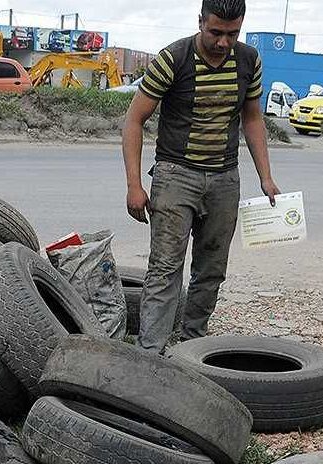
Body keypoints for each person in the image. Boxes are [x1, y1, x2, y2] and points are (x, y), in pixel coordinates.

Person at [121, 0, 281, 353]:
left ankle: (193, 346)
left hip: (225, 179)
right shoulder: (173, 58)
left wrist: (265, 177)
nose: (224, 42)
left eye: (233, 33)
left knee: (211, 269)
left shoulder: (248, 60)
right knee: (165, 269)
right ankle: (152, 354)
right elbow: (133, 121)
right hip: (175, 175)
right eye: (216, 32)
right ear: (200, 22)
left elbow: (252, 118)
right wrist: (135, 185)